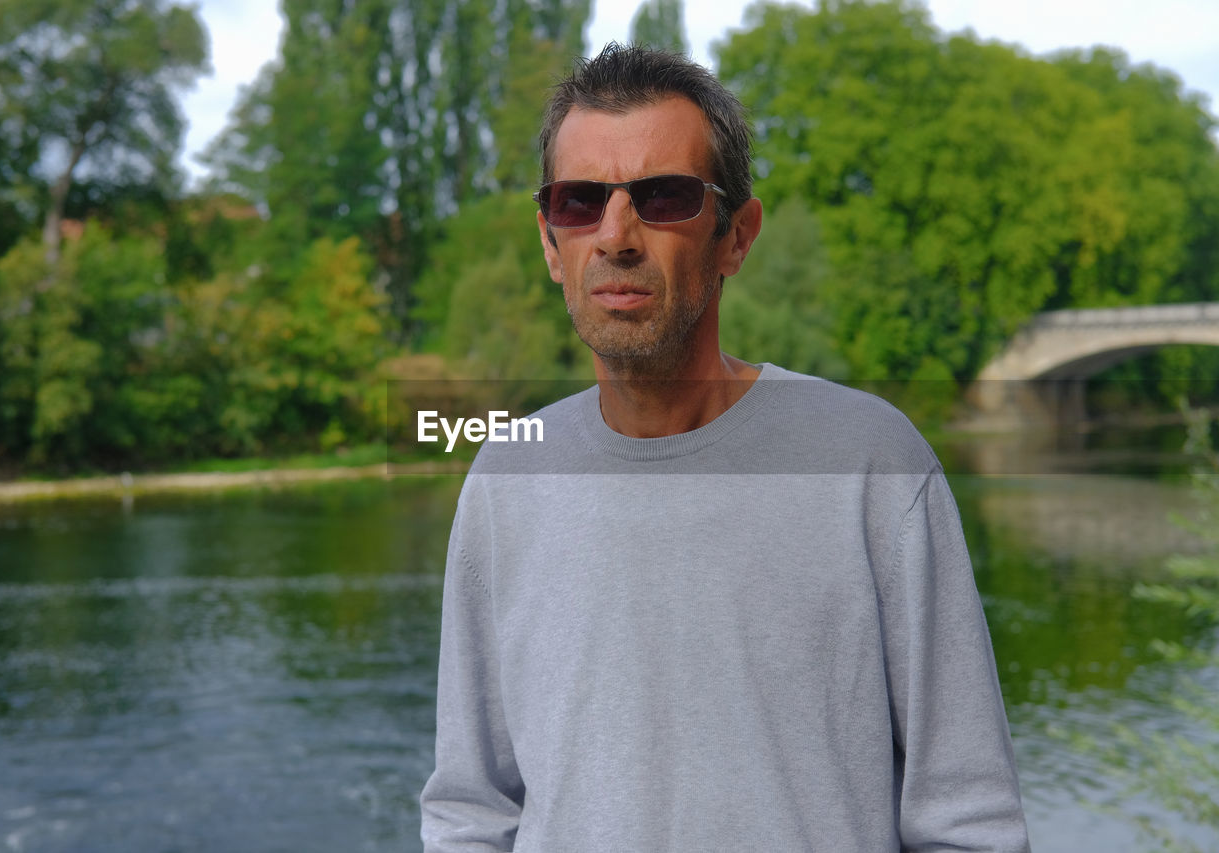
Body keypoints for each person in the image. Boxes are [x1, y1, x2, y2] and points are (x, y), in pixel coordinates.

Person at [419, 43, 1030, 852]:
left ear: (735, 236)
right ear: (548, 242)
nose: (616, 235)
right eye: (579, 201)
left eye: (664, 197)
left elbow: (969, 822)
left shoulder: (872, 462)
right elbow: (471, 809)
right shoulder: (507, 474)